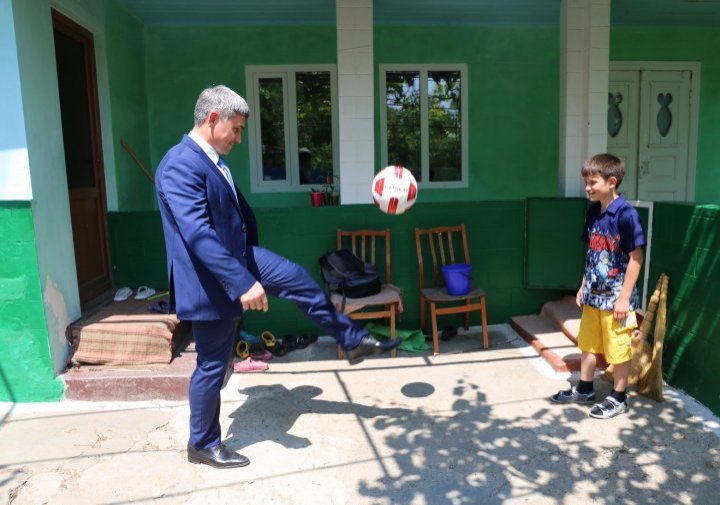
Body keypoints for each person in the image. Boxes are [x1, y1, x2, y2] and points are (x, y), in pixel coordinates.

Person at [155, 85, 401, 469]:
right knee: (213, 364)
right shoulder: (179, 165)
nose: (239, 138)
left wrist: (247, 273)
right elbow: (198, 235)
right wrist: (242, 282)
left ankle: (352, 340)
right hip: (209, 279)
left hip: (240, 260)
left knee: (299, 279)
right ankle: (201, 442)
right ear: (212, 119)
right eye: (235, 129)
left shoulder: (210, 158)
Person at [551, 153, 645, 419]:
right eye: (586, 182)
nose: (587, 188)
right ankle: (585, 388)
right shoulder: (593, 212)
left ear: (611, 181)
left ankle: (619, 396)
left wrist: (624, 298)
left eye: (592, 182)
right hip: (593, 295)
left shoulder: (627, 215)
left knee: (618, 347)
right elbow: (592, 254)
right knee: (589, 343)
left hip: (616, 298)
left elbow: (636, 258)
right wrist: (583, 287)